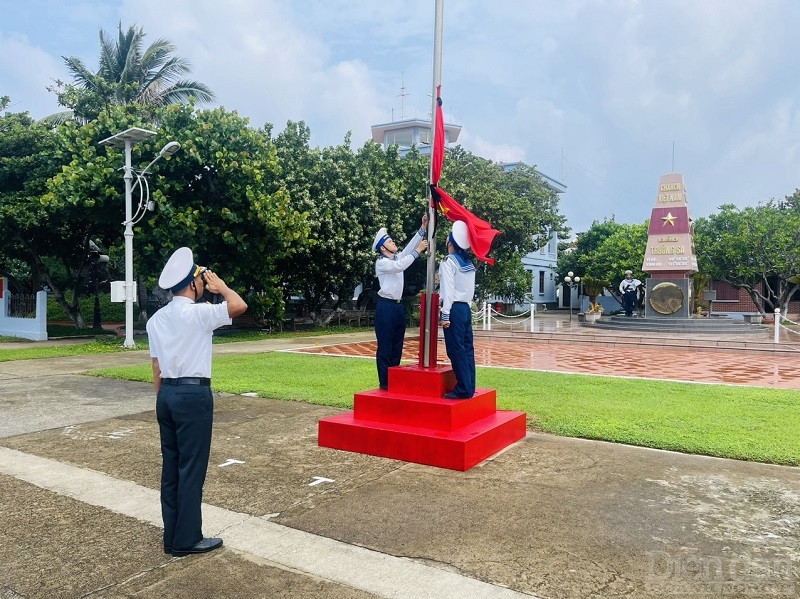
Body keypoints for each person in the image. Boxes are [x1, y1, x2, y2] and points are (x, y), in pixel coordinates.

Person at [146, 247, 247, 557]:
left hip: (167, 395)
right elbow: (239, 306)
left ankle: (172, 536)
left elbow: (156, 368)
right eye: (201, 280)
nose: (205, 285)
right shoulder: (200, 314)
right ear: (192, 284)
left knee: (172, 468)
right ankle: (187, 539)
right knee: (191, 468)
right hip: (193, 396)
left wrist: (164, 398)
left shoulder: (156, 320)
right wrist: (223, 288)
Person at [373, 213, 429, 390]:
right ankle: (385, 383)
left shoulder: (396, 257)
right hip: (385, 307)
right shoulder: (382, 262)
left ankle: (394, 380)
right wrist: (418, 251)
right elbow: (401, 265)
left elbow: (407, 251)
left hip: (397, 306)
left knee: (397, 346)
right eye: (389, 241)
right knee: (385, 348)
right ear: (382, 248)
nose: (393, 243)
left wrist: (423, 229)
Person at [438, 220, 476, 399]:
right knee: (467, 349)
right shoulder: (468, 262)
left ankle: (462, 389)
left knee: (456, 349)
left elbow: (448, 290)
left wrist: (445, 315)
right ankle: (469, 386)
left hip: (453, 308)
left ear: (450, 243)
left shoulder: (448, 262)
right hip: (465, 308)